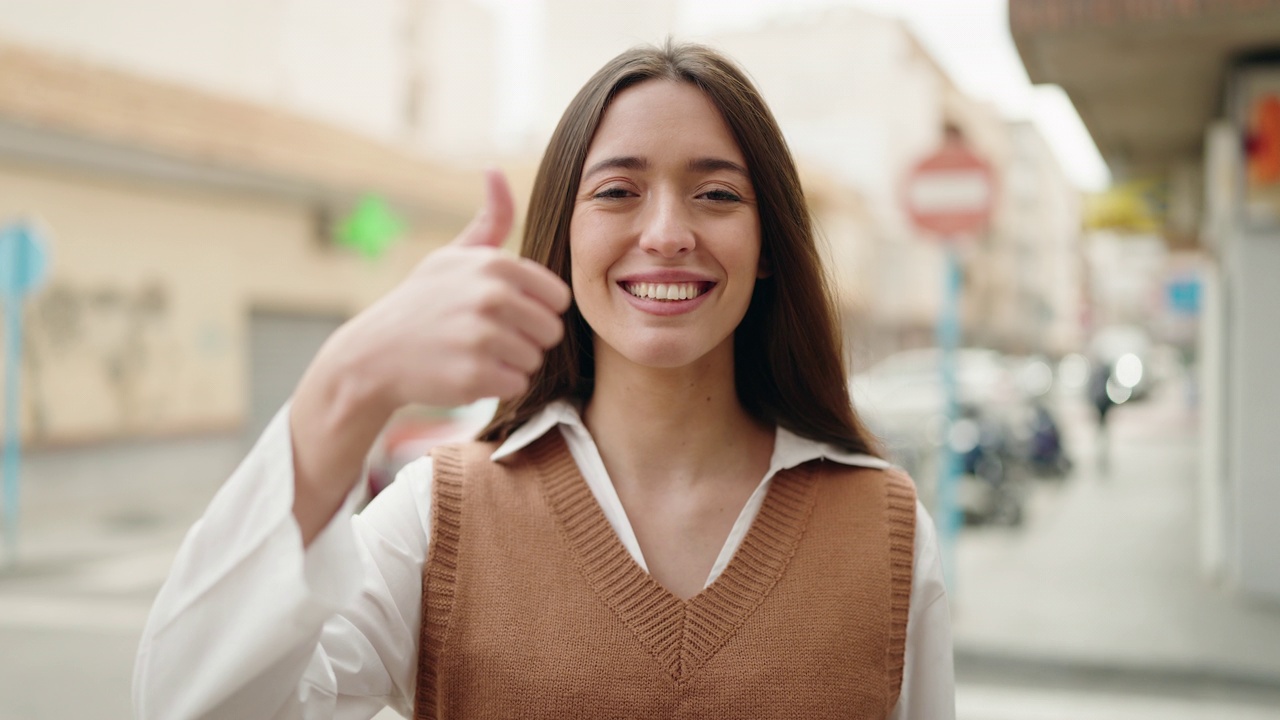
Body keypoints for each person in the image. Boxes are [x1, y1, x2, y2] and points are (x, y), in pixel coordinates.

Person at [133, 41, 953, 719]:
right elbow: (188, 704)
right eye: (618, 192)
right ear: (561, 236)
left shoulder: (884, 531)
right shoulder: (441, 520)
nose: (666, 233)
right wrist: (350, 379)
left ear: (769, 245)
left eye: (714, 193)